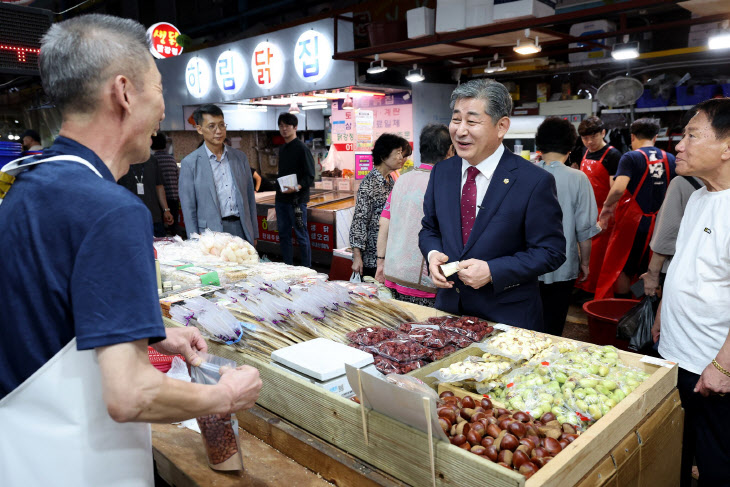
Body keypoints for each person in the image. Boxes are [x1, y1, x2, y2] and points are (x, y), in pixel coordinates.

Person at [0, 14, 261, 485]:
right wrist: (225, 395)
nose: (164, 110)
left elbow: (47, 306)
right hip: (82, 465)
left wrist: (152, 330)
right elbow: (130, 394)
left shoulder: (29, 183)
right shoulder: (112, 210)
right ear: (123, 92)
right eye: (159, 89)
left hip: (21, 454)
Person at [419, 79, 566, 331]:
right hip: (450, 313)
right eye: (456, 119)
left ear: (501, 126)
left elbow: (551, 251)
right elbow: (429, 229)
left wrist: (493, 270)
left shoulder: (533, 181)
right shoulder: (442, 172)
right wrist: (432, 255)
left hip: (507, 317)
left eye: (472, 121)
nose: (460, 130)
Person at [652, 98, 730, 487]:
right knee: (674, 450)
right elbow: (683, 261)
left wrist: (723, 365)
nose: (679, 145)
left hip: (714, 368)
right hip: (677, 355)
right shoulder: (699, 195)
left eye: (691, 135)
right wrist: (663, 310)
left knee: (717, 459)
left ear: (727, 147)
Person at [375, 124, 454, 306]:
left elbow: (384, 222)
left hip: (393, 274)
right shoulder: (444, 183)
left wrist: (381, 263)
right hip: (423, 282)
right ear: (450, 150)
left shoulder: (402, 179)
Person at [596, 118, 676, 299]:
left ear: (632, 136)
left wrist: (607, 208)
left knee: (624, 265)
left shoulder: (631, 157)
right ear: (656, 137)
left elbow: (618, 188)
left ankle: (623, 307)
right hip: (660, 224)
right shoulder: (670, 158)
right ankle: (642, 306)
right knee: (650, 266)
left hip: (634, 224)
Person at [535, 117, 600, 337]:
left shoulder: (525, 173)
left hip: (525, 266)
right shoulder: (578, 178)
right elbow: (585, 227)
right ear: (571, 147)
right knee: (553, 325)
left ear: (539, 145)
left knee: (527, 324)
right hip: (563, 264)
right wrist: (585, 263)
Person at [179, 104, 258, 243]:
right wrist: (194, 242)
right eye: (211, 126)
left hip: (242, 229)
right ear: (199, 129)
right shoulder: (190, 163)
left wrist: (254, 234)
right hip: (210, 235)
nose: (219, 131)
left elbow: (250, 198)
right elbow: (188, 208)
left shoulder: (240, 158)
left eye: (222, 125)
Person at [574, 116, 623, 294]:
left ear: (603, 133)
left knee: (597, 255)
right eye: (585, 138)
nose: (589, 142)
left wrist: (606, 214)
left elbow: (615, 189)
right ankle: (579, 286)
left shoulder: (613, 155)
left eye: (593, 137)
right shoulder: (583, 151)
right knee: (580, 251)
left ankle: (592, 291)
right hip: (584, 210)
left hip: (603, 212)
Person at [350, 133, 407, 278]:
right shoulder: (369, 184)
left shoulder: (390, 181)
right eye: (398, 153)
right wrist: (357, 256)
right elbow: (359, 222)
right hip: (372, 260)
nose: (402, 158)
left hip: (388, 255)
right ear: (383, 156)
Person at [275, 112, 315, 267]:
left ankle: (307, 269)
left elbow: (310, 175)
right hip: (281, 200)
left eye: (287, 126)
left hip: (297, 201)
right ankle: (287, 267)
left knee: (301, 235)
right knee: (283, 235)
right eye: (281, 126)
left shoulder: (302, 148)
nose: (284, 129)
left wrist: (297, 187)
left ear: (295, 127)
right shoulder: (283, 149)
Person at [118, 152, 173, 237]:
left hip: (154, 217)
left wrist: (166, 210)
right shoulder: (120, 160)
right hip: (130, 217)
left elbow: (159, 186)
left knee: (159, 246)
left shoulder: (152, 160)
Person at [152, 132, 182, 237]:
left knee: (162, 227)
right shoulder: (171, 160)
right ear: (165, 144)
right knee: (174, 227)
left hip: (159, 200)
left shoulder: (153, 160)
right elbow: (178, 179)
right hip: (173, 197)